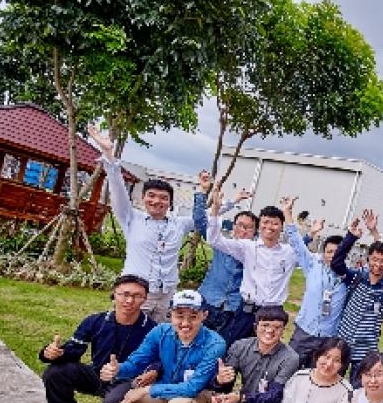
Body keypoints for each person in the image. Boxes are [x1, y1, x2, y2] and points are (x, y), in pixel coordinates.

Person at [104, 290, 226, 403]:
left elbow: (192, 388)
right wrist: (118, 369)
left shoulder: (215, 343)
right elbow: (137, 361)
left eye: (193, 316)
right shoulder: (160, 332)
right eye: (179, 316)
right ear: (170, 315)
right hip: (164, 387)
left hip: (199, 393)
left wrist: (148, 390)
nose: (185, 323)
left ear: (204, 315)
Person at [89, 125, 195, 322]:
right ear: (143, 198)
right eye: (151, 196)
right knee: (129, 335)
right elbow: (118, 189)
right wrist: (109, 154)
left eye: (163, 198)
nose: (157, 201)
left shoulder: (179, 224)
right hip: (137, 294)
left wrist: (224, 201)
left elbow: (204, 217)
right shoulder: (131, 218)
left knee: (159, 338)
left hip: (166, 295)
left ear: (170, 202)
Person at [32, 274, 158, 403]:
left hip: (129, 381)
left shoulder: (152, 329)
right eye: (124, 294)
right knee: (55, 372)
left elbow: (158, 359)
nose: (129, 301)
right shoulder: (95, 321)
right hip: (97, 375)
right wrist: (54, 353)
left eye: (137, 296)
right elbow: (73, 350)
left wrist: (153, 371)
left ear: (145, 298)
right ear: (114, 295)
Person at [205, 188, 298, 343]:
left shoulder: (290, 252)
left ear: (282, 227)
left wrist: (288, 214)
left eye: (275, 223)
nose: (269, 226)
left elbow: (306, 252)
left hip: (274, 313)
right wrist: (215, 210)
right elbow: (215, 240)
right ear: (259, 225)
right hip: (247, 309)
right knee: (232, 346)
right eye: (265, 222)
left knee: (265, 350)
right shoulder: (247, 247)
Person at [331, 211, 383, 384]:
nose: (378, 264)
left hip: (366, 350)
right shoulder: (356, 277)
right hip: (343, 343)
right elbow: (336, 263)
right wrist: (350, 238)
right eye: (375, 259)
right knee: (332, 381)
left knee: (358, 390)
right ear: (368, 258)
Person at [192, 173, 257, 344]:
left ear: (255, 233)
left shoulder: (256, 252)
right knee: (194, 341)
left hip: (233, 308)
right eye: (240, 225)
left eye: (249, 228)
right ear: (233, 226)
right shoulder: (221, 243)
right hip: (209, 300)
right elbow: (200, 221)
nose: (243, 230)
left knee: (221, 348)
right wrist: (203, 191)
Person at [284, 209, 347, 370]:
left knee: (317, 375)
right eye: (329, 252)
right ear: (323, 252)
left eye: (337, 252)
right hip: (304, 331)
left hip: (327, 337)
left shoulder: (349, 277)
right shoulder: (313, 265)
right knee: (289, 369)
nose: (333, 256)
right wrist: (288, 214)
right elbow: (297, 244)